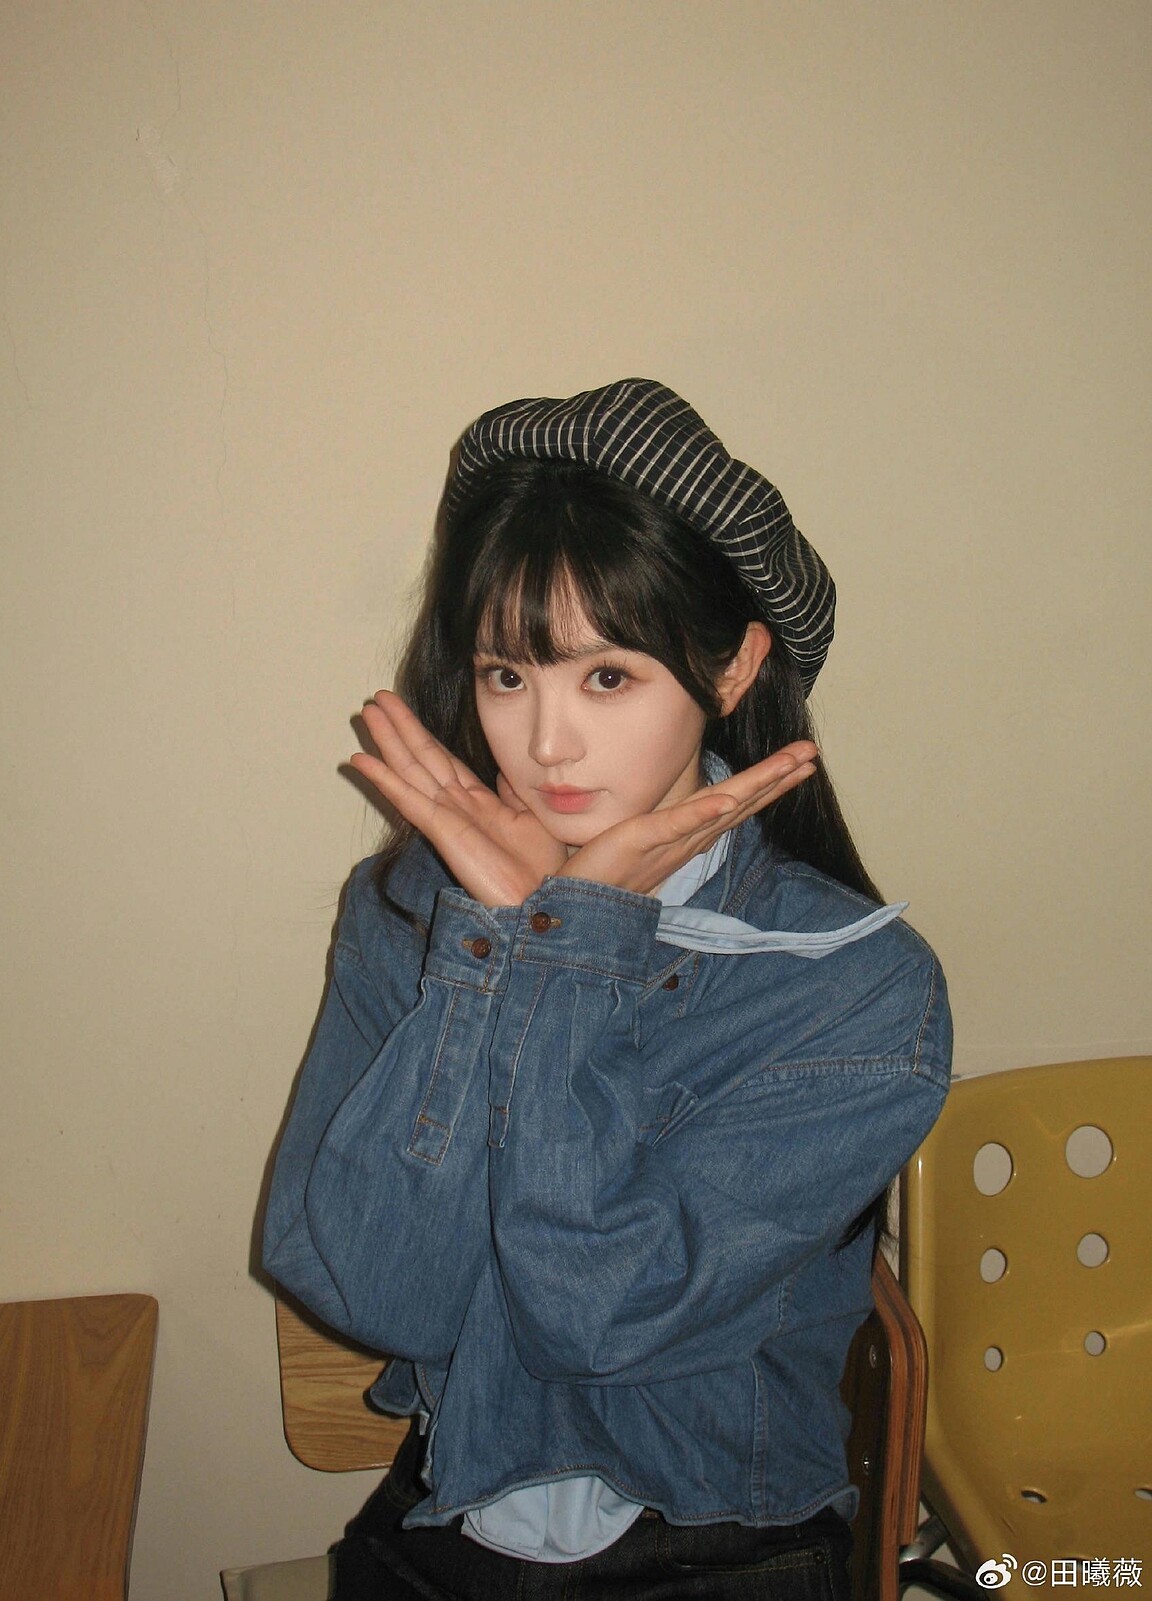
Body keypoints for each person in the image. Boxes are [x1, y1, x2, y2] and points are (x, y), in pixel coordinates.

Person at [263, 379, 952, 1600]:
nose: (547, 744)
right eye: (506, 675)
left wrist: (565, 946)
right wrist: (496, 942)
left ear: (733, 666)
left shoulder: (859, 987)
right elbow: (378, 1290)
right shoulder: (412, 911)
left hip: (720, 1544)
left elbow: (596, 1314)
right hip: (448, 1519)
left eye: (609, 677)